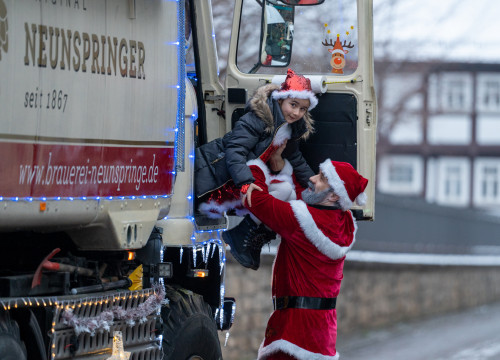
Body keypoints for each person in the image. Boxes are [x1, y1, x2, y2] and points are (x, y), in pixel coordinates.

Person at [240, 157, 368, 360]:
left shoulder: (300, 221)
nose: (312, 178)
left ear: (334, 195)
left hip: (293, 332)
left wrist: (254, 168)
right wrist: (285, 163)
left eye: (322, 177)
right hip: (322, 332)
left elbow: (256, 200)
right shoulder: (342, 222)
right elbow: (306, 194)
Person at [195, 69, 318, 269]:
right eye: (293, 105)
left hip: (241, 182)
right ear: (280, 100)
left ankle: (247, 235)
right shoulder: (259, 118)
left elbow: (296, 159)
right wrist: (246, 182)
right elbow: (235, 150)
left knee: (286, 192)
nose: (296, 113)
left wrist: (315, 185)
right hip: (217, 177)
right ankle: (241, 236)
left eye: (303, 109)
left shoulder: (290, 128)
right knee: (273, 194)